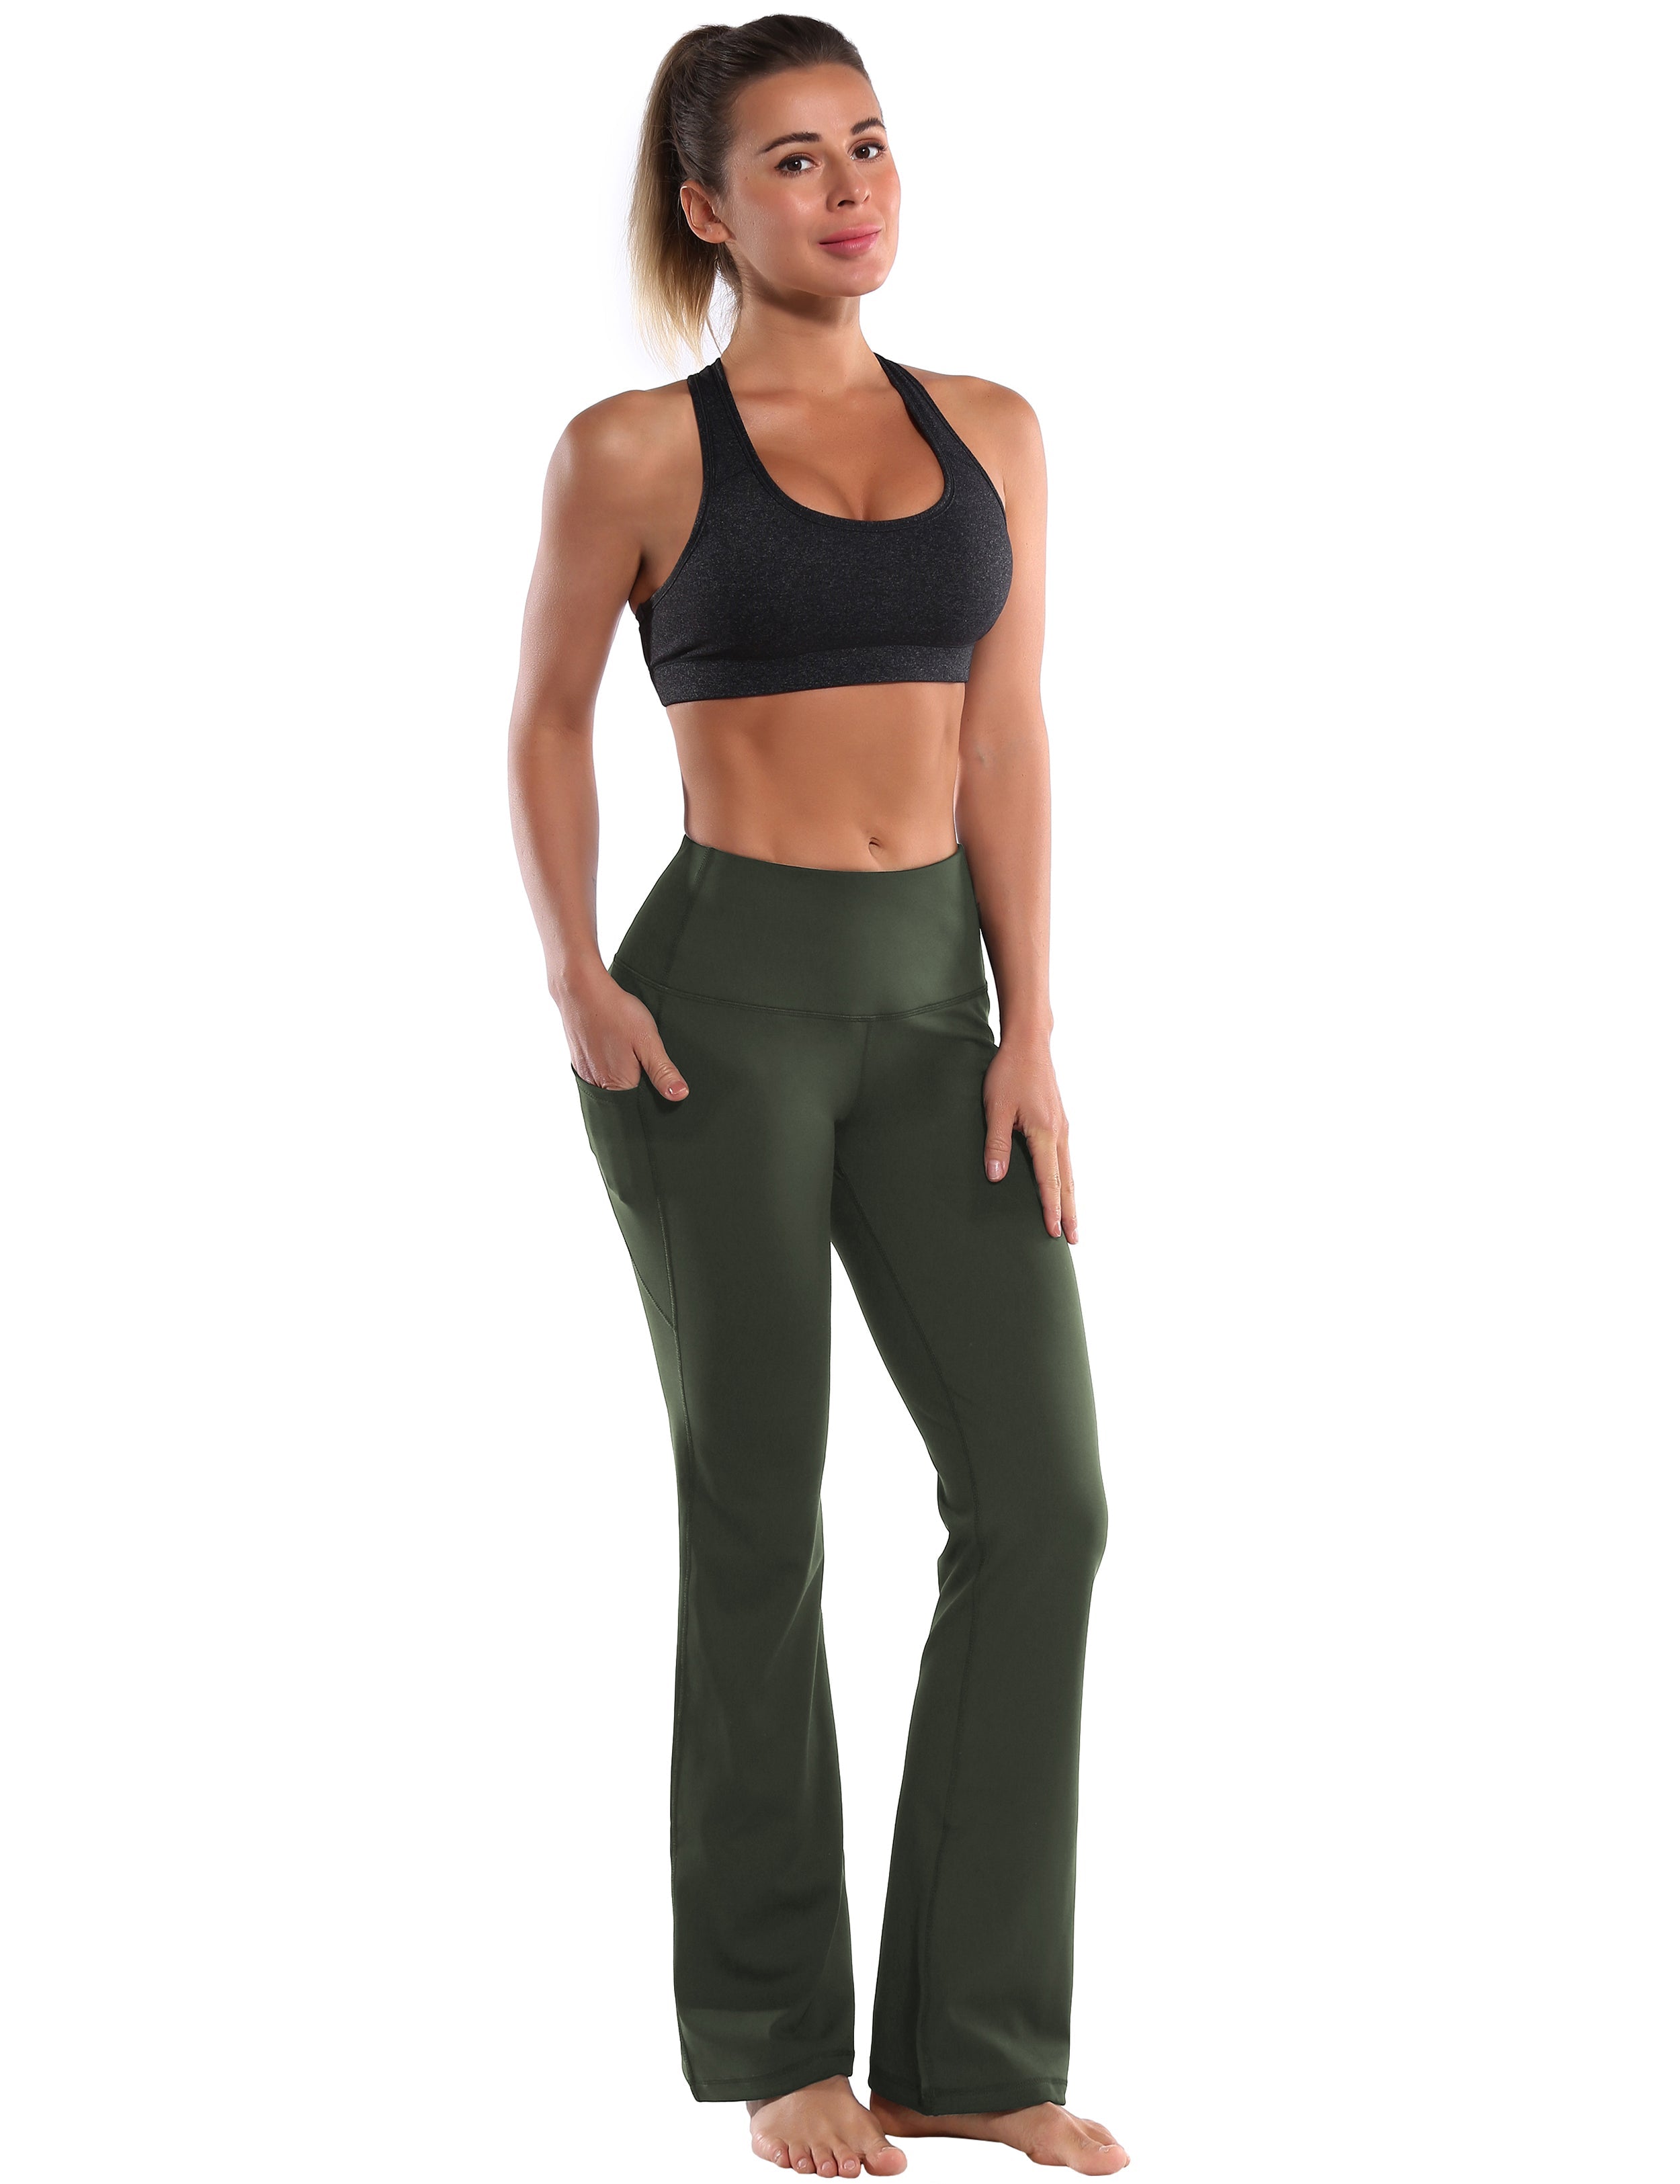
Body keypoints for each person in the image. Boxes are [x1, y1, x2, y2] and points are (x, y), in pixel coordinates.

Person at [507, 16, 1125, 2177]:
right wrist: (578, 974)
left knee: (1041, 1501)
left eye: (866, 143)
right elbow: (544, 716)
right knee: (759, 1513)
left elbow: (1007, 731)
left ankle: (969, 2043)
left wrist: (1030, 1024)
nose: (848, 186)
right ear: (706, 207)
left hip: (935, 1013)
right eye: (790, 160)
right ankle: (780, 2044)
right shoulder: (631, 453)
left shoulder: (993, 430)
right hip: (719, 1014)